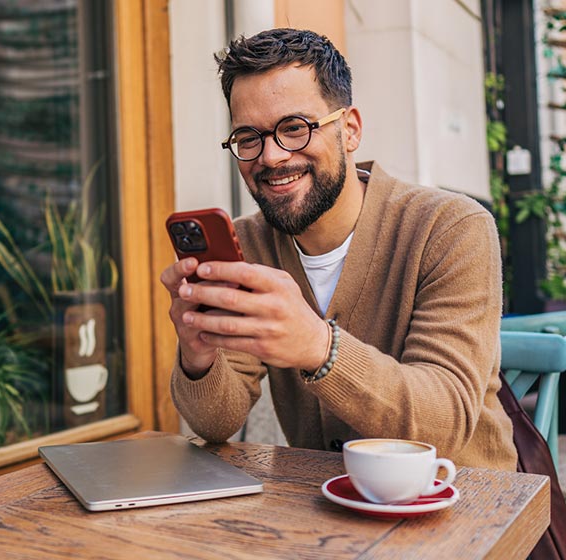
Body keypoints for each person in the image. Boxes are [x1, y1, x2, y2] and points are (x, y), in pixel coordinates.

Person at [160, 28, 517, 470]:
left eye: (294, 127)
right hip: (323, 508)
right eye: (248, 138)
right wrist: (199, 357)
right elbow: (217, 423)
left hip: (465, 505)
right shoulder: (247, 244)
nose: (270, 156)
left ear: (349, 130)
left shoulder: (450, 228)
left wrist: (317, 346)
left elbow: (445, 420)